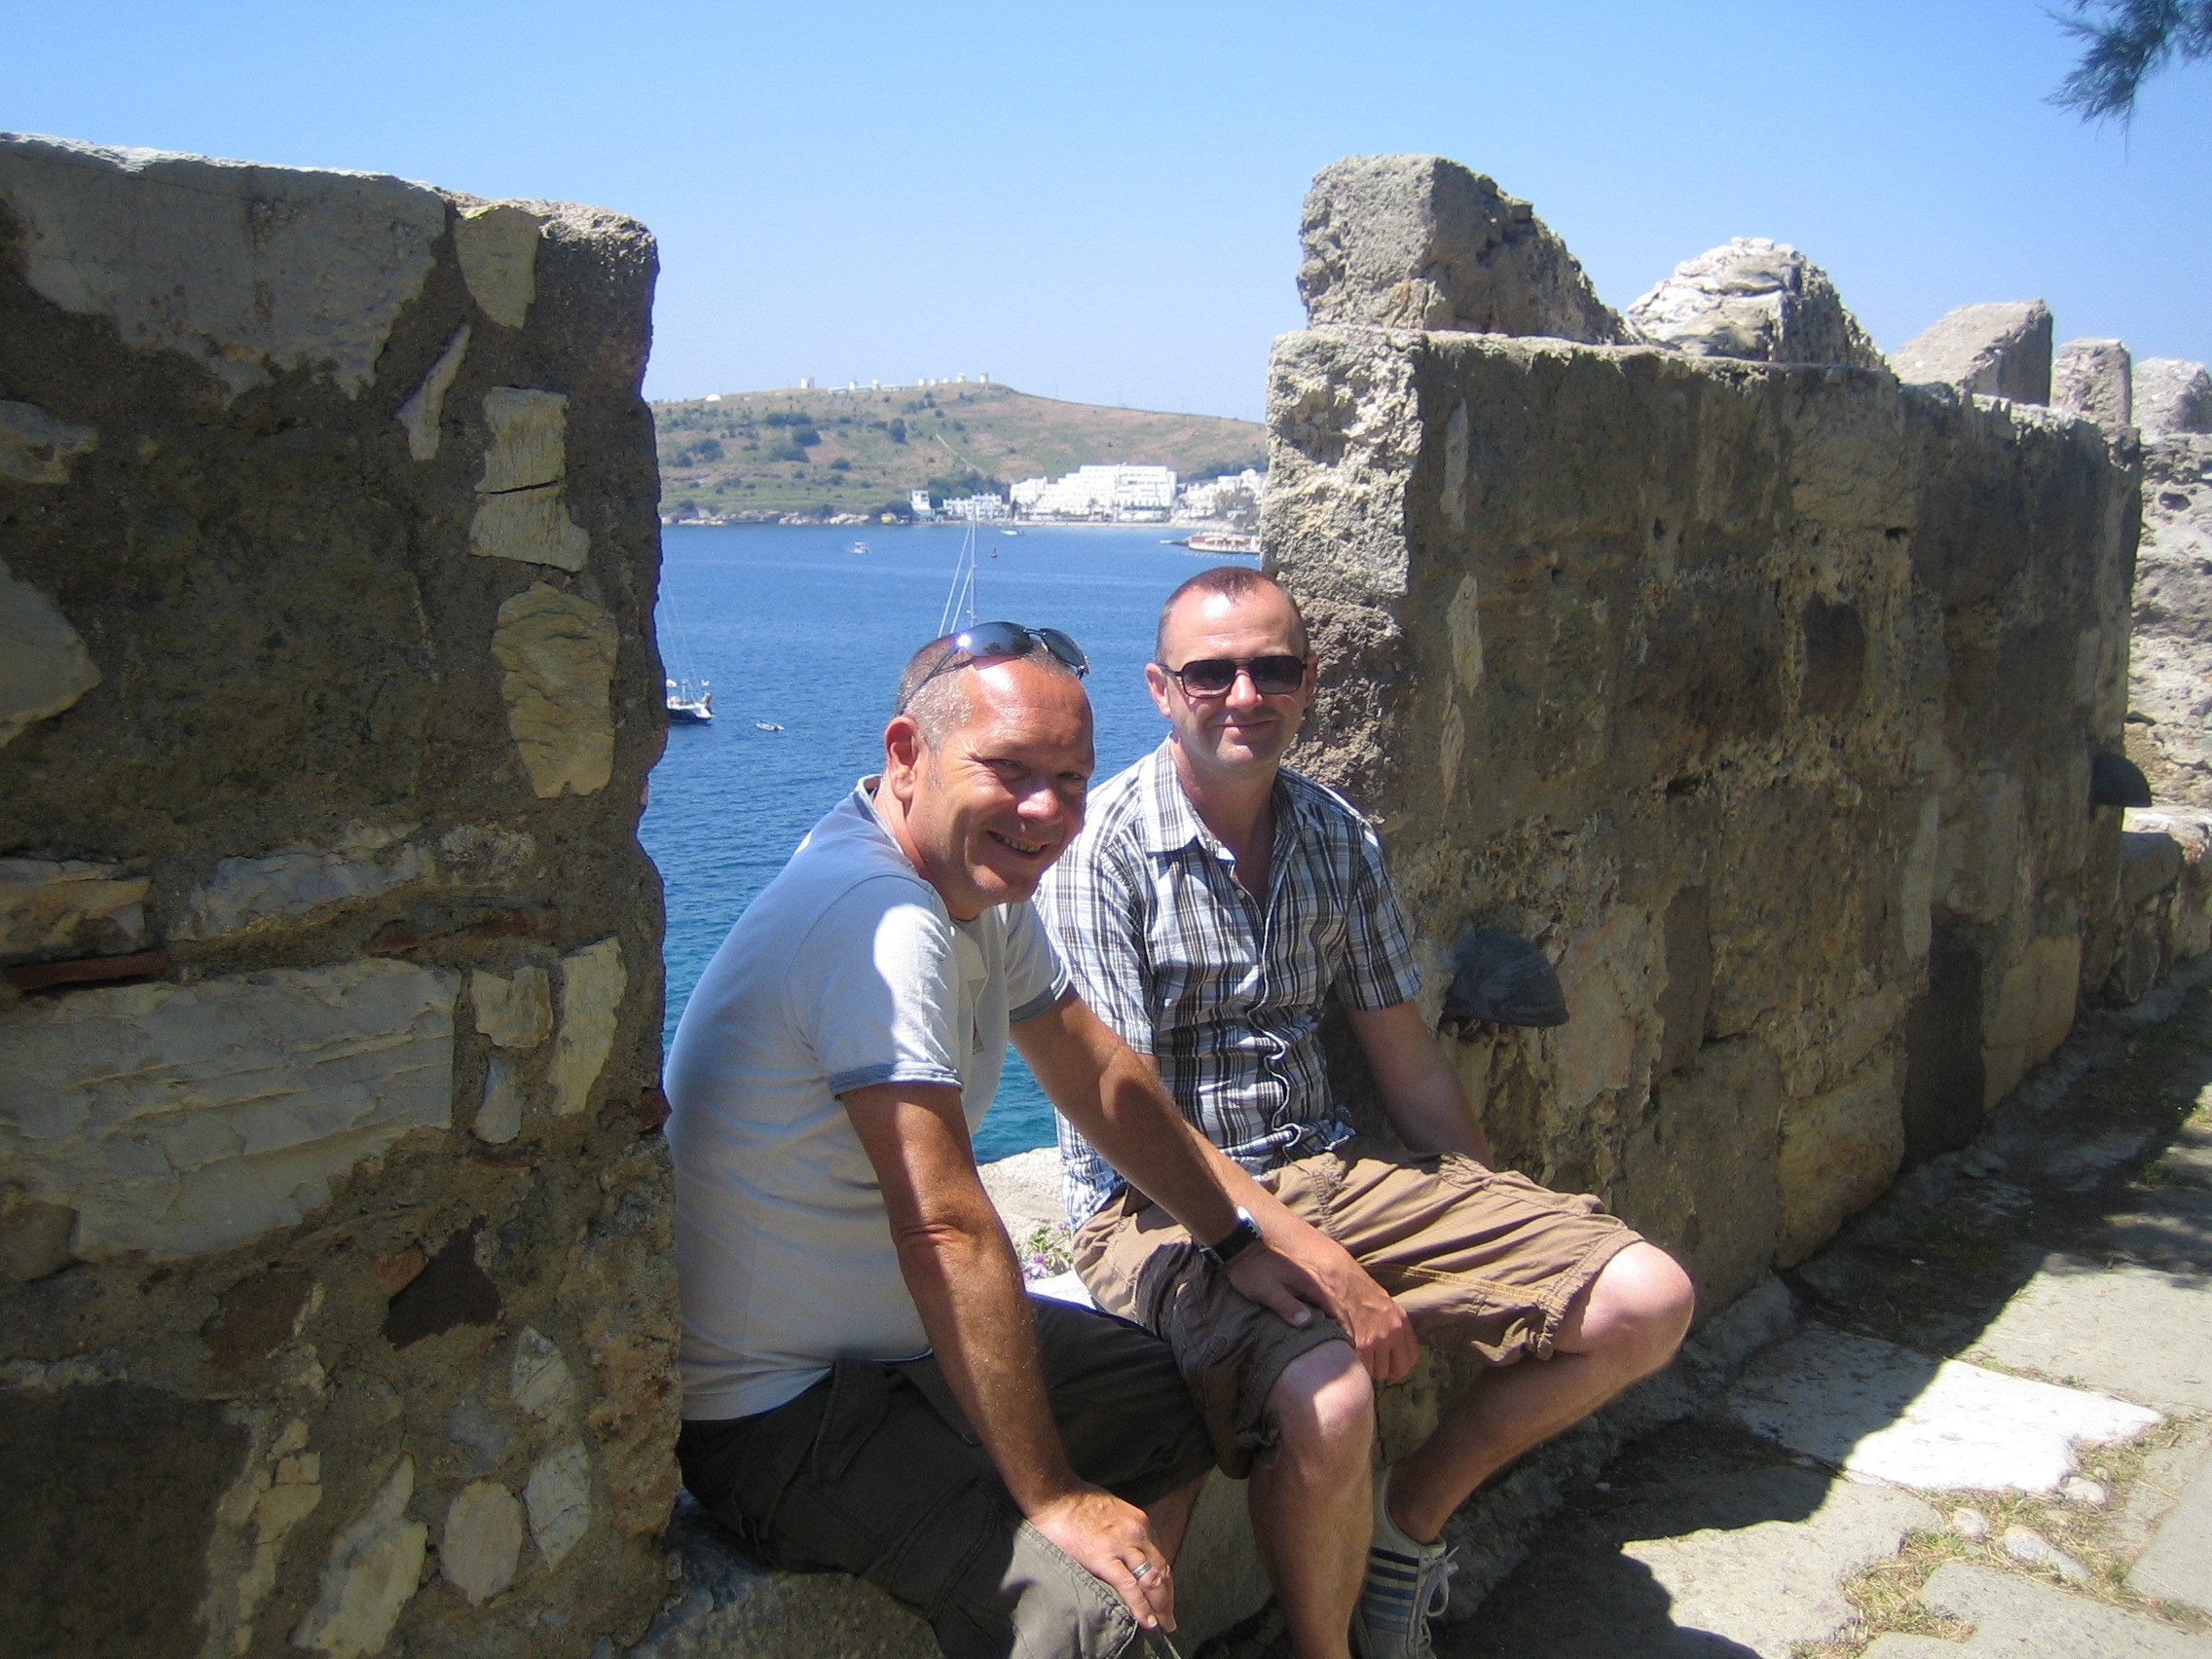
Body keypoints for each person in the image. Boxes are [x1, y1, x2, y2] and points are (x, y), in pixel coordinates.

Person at [665, 621, 1368, 1659]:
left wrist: (1232, 1240)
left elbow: (1092, 1069)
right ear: (907, 754)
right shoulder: (877, 918)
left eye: (1071, 780)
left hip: (903, 1348)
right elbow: (944, 1229)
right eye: (1008, 770)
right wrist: (1054, 1495)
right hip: (784, 1409)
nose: (1046, 812)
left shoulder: (974, 885)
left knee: (1179, 1403)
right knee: (1087, 1615)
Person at [1035, 570, 1698, 1659]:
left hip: (1329, 1168)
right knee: (1332, 1400)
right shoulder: (1101, 851)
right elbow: (1128, 1112)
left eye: (1272, 669)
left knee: (1644, 1301)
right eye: (1210, 672)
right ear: (1160, 688)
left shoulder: (1335, 835)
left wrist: (1494, 1219)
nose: (1243, 694)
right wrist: (1303, 1260)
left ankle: (1406, 1524)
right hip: (1162, 1205)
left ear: (1309, 684)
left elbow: (1407, 1062)